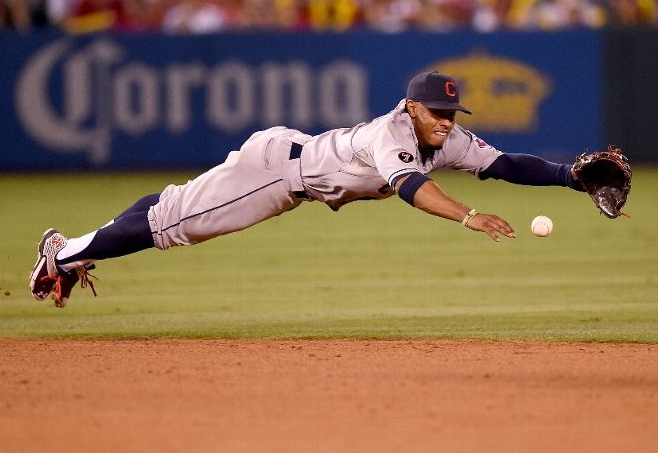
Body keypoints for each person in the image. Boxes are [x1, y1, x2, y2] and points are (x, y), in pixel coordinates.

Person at [29, 70, 584, 308]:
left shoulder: (446, 136)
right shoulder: (390, 135)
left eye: (450, 111)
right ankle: (62, 255)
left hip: (292, 165)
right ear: (411, 106)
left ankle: (73, 250)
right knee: (170, 223)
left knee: (171, 212)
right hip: (275, 173)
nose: (444, 120)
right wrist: (469, 217)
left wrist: (569, 177)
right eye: (435, 111)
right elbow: (412, 187)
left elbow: (505, 163)